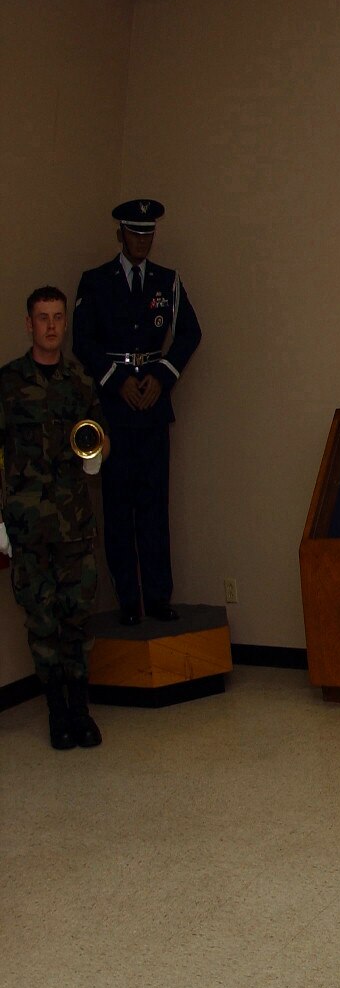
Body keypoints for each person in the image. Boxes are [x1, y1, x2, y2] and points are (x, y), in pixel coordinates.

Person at [71, 197, 200, 625]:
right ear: (120, 234)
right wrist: (116, 378)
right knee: (118, 507)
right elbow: (82, 340)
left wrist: (162, 375)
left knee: (154, 505)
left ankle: (159, 596)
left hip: (153, 405)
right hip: (113, 408)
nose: (142, 241)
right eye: (135, 233)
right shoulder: (95, 282)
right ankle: (129, 599)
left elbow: (189, 333)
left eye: (149, 234)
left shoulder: (167, 281)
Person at [1, 287, 105, 749]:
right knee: (41, 624)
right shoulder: (7, 384)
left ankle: (81, 711)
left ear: (64, 323)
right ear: (29, 324)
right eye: (41, 317)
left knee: (77, 622)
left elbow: (98, 442)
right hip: (26, 526)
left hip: (73, 523)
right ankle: (56, 714)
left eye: (57, 317)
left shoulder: (80, 383)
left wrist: (96, 457)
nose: (50, 326)